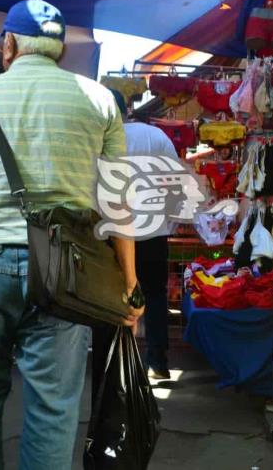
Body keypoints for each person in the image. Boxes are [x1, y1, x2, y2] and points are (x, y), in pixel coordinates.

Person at [0, 0, 143, 470]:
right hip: (66, 269)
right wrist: (129, 283)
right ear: (58, 50)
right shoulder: (99, 100)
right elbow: (118, 203)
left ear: (11, 45)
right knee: (54, 404)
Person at [93, 90, 176, 383]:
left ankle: (115, 365)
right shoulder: (156, 138)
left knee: (113, 296)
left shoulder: (99, 139)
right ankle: (157, 362)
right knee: (154, 296)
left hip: (113, 233)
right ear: (126, 108)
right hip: (153, 232)